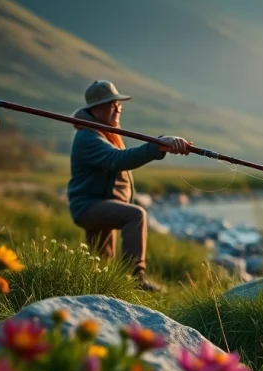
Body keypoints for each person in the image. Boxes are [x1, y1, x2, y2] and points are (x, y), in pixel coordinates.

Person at [66, 80, 192, 292]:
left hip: (102, 203)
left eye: (119, 103)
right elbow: (118, 159)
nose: (118, 107)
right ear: (95, 110)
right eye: (111, 104)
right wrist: (158, 146)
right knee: (135, 215)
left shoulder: (106, 132)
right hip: (88, 206)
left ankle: (105, 293)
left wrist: (161, 144)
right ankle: (135, 279)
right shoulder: (88, 137)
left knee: (100, 269)